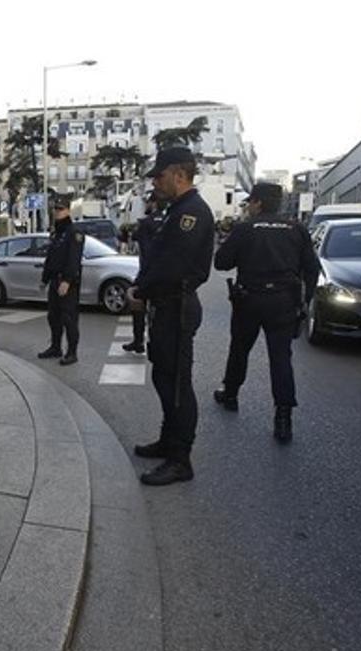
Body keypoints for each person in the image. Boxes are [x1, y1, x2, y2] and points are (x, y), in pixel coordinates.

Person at [130, 147, 215, 487]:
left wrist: (141, 290)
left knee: (178, 385)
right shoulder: (177, 210)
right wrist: (142, 285)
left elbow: (173, 264)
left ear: (179, 175)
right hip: (166, 306)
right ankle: (168, 440)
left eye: (160, 175)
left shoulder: (190, 213)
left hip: (177, 306)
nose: (156, 182)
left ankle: (180, 459)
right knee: (165, 379)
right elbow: (156, 258)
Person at [212, 183, 319, 443]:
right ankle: (283, 418)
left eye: (250, 202)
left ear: (258, 203)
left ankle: (231, 394)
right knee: (280, 358)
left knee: (239, 349)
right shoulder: (297, 229)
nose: (248, 206)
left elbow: (221, 262)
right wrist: (304, 301)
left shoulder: (245, 229)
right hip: (284, 301)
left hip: (250, 299)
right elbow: (312, 268)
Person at [36, 192, 84, 366]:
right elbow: (51, 258)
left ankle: (72, 352)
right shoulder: (57, 232)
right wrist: (45, 278)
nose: (57, 211)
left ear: (68, 210)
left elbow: (74, 258)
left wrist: (67, 280)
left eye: (60, 209)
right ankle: (56, 347)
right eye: (55, 208)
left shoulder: (74, 232)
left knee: (69, 318)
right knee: (53, 317)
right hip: (55, 280)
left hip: (67, 283)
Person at [122, 194, 165, 354]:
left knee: (136, 302)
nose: (146, 205)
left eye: (147, 202)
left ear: (153, 203)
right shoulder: (168, 220)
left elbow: (144, 251)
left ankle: (138, 341)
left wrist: (141, 279)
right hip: (164, 274)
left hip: (147, 273)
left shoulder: (145, 223)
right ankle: (153, 342)